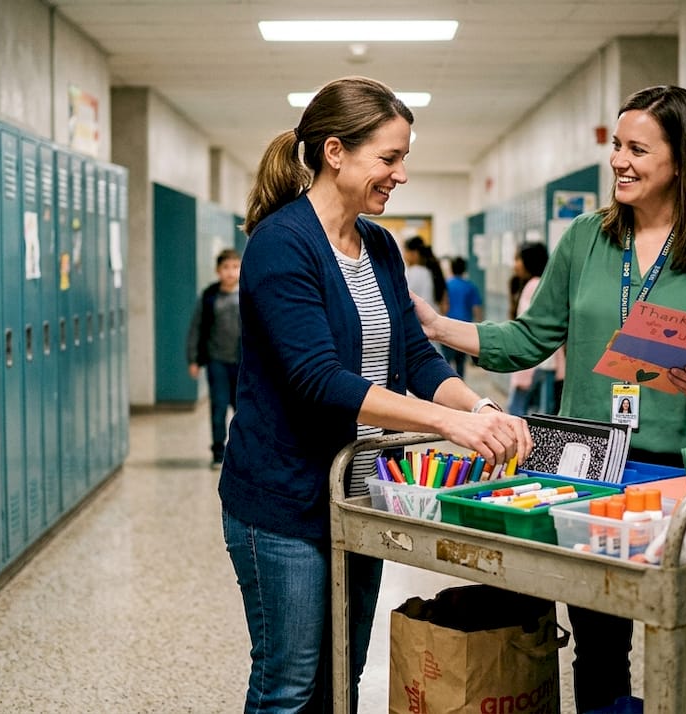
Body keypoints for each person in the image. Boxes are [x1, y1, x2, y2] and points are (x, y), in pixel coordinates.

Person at [412, 85, 686, 714]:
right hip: (590, 467)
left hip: (679, 476)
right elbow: (531, 335)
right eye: (617, 146)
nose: (619, 161)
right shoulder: (587, 238)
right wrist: (441, 328)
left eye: (638, 149)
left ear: (682, 161)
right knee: (598, 638)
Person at [220, 75, 533, 714]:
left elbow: (415, 356)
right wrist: (445, 427)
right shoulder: (282, 245)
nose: (401, 174)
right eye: (388, 159)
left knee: (344, 672)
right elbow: (320, 379)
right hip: (283, 500)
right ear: (335, 152)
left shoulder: (379, 245)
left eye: (404, 158)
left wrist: (479, 409)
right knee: (290, 685)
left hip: (357, 491)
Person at [186, 248, 242, 468]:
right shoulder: (209, 297)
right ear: (218, 271)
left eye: (235, 267)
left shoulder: (246, 294)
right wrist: (193, 359)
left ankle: (240, 452)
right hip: (217, 361)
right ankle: (218, 452)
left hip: (242, 363)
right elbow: (196, 329)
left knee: (242, 410)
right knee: (218, 408)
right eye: (225, 268)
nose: (230, 272)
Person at [504, 242, 565, 416]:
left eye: (518, 259)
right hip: (545, 362)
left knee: (518, 410)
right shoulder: (537, 284)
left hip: (537, 362)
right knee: (541, 412)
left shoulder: (534, 285)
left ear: (529, 261)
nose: (515, 264)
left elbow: (530, 327)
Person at [442, 256, 483, 377]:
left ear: (451, 268)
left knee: (445, 363)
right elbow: (477, 309)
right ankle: (460, 386)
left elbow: (443, 306)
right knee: (460, 363)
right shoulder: (470, 286)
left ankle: (447, 388)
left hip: (447, 328)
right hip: (464, 329)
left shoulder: (446, 285)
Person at [403, 235, 449, 316]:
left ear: (414, 253)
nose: (404, 256)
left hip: (421, 321)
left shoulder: (414, 272)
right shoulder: (433, 271)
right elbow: (444, 304)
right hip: (435, 317)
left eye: (405, 252)